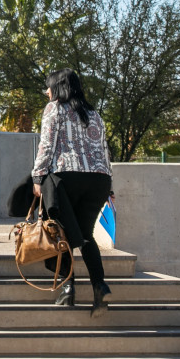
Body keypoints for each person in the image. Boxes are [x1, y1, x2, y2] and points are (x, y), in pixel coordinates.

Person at [31, 68, 114, 315]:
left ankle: (68, 290)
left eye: (48, 86)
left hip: (67, 177)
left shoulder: (54, 108)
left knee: (60, 233)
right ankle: (100, 286)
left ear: (57, 87)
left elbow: (46, 145)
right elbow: (104, 150)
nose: (46, 91)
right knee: (85, 234)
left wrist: (37, 176)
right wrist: (111, 187)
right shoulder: (94, 113)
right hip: (99, 180)